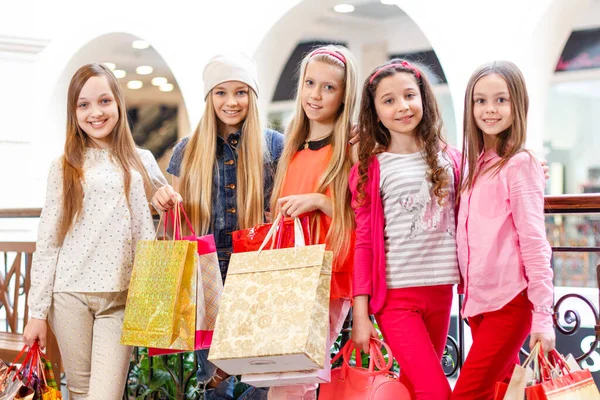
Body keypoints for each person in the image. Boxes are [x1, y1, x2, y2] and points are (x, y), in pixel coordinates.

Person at [23, 63, 167, 399]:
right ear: (73, 112)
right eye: (83, 104)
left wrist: (167, 196)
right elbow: (48, 241)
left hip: (121, 298)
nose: (95, 112)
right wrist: (36, 314)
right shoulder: (63, 166)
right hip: (69, 294)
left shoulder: (140, 159)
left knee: (105, 394)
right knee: (79, 389)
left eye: (104, 101)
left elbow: (163, 205)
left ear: (118, 103)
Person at [152, 53, 284, 399]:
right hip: (205, 276)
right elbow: (176, 222)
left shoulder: (274, 146)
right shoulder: (188, 150)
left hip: (258, 272)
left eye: (241, 92)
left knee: (263, 379)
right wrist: (165, 202)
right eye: (221, 92)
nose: (231, 101)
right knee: (214, 384)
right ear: (209, 97)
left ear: (252, 97)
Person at [349, 59, 461, 400]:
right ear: (375, 112)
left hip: (442, 293)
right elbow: (364, 244)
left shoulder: (452, 159)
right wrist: (360, 314)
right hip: (397, 298)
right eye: (389, 100)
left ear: (423, 98)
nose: (403, 107)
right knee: (436, 390)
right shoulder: (371, 168)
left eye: (409, 95)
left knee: (415, 388)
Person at [451, 60, 555, 400]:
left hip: (509, 303)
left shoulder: (520, 164)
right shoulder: (473, 166)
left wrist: (543, 316)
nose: (489, 109)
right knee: (501, 394)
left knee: (466, 393)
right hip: (478, 304)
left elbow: (535, 242)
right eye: (480, 100)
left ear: (517, 105)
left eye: (500, 100)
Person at [267, 45, 358, 400]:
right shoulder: (294, 143)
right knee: (295, 379)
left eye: (328, 87)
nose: (315, 95)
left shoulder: (351, 146)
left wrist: (321, 201)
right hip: (289, 273)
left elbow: (368, 215)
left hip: (328, 274)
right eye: (309, 83)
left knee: (290, 379)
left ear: (344, 94)